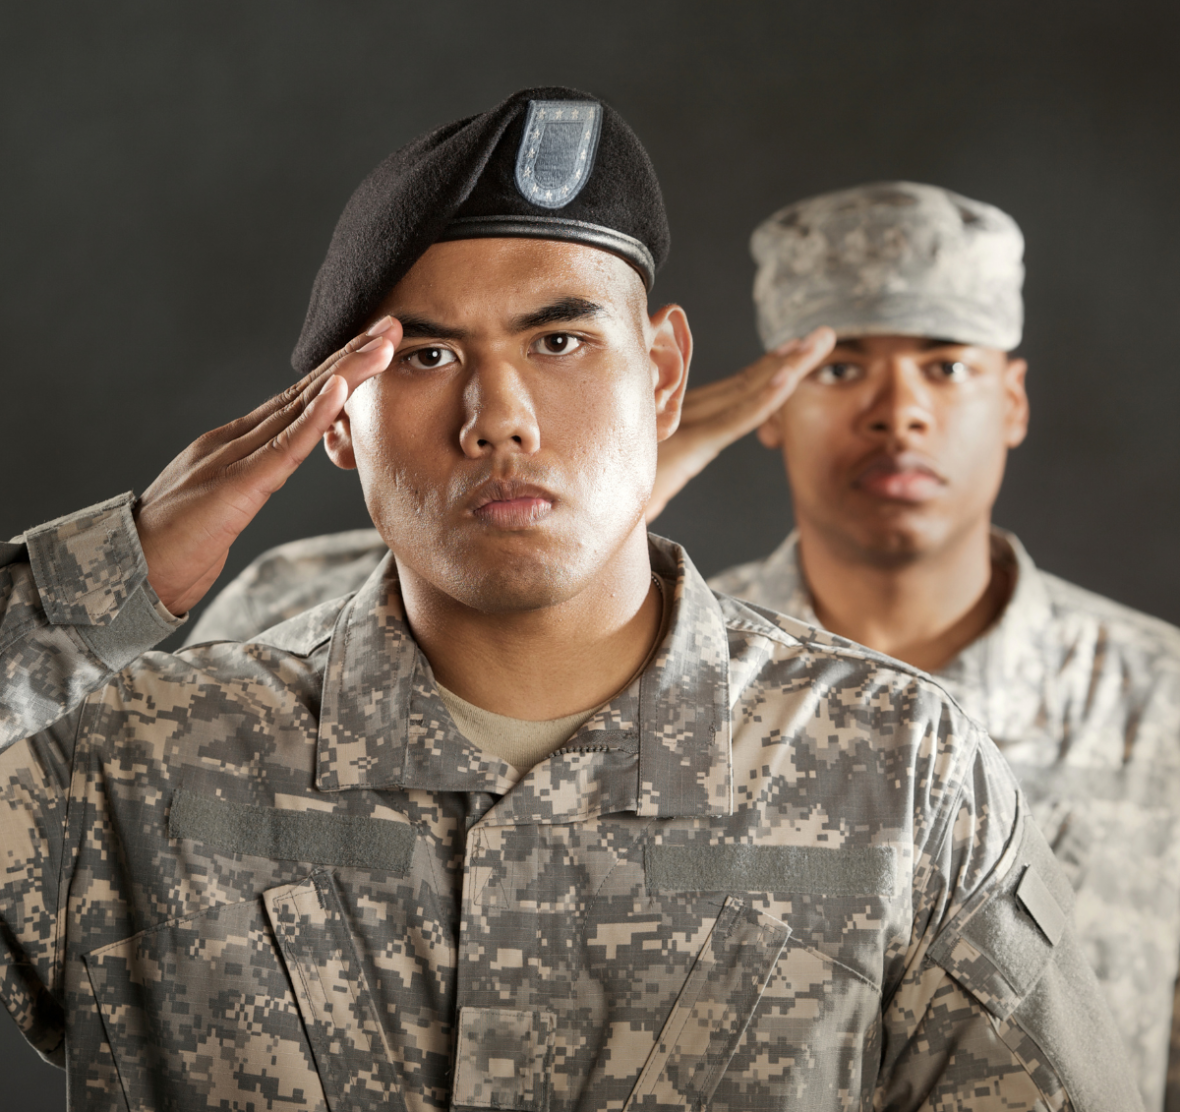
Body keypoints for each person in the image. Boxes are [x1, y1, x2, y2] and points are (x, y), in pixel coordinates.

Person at [0, 92, 1134, 1111]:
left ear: (662, 374)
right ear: (335, 418)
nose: (500, 417)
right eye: (426, 358)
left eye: (558, 341)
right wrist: (113, 573)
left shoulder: (892, 769)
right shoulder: (140, 765)